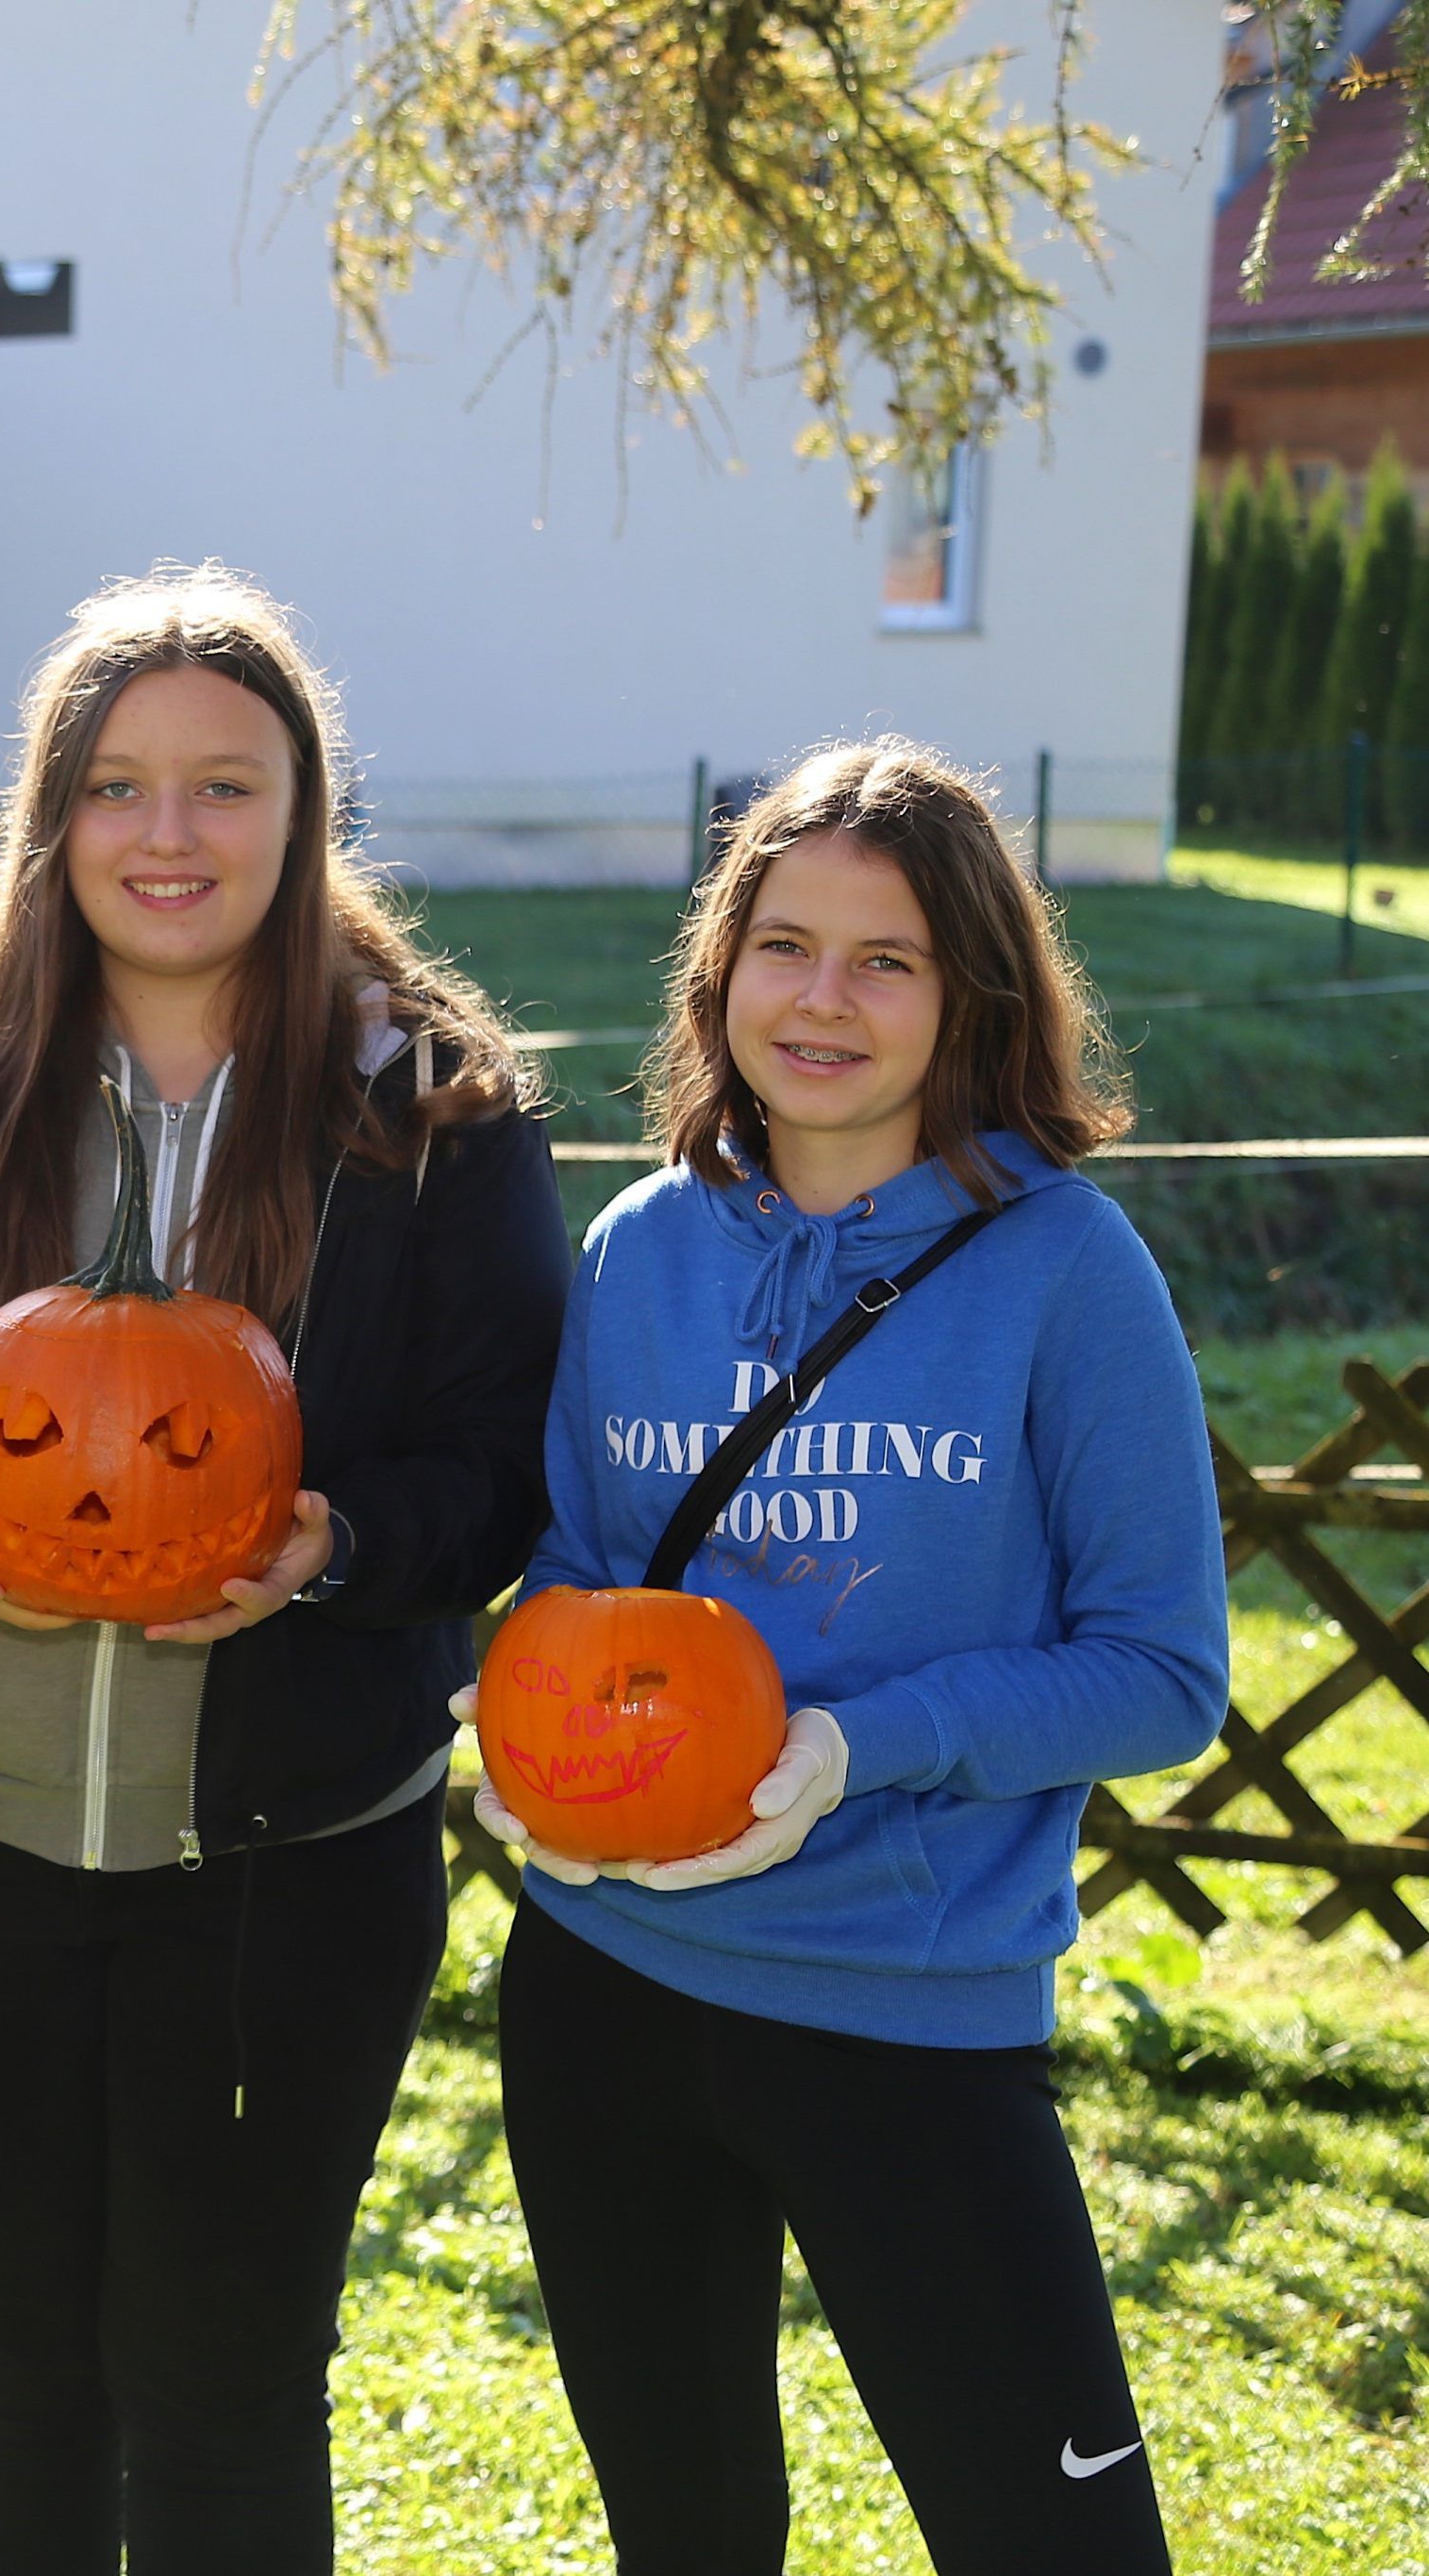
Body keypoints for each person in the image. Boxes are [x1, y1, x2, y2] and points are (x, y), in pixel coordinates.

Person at [0, 565, 570, 2573]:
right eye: (121, 786)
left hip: (290, 1863)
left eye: (225, 786)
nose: (169, 834)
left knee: (225, 2385)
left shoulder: (432, 1105)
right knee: (18, 2363)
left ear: (305, 815)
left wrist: (332, 1547)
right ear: (53, 820)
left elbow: (499, 1469)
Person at [478, 739, 1227, 2574]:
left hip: (906, 2013)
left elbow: (1162, 1669)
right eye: (783, 944)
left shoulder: (1066, 1270)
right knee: (692, 2533)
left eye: (885, 960)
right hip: (604, 1987)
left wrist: (852, 1746)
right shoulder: (640, 1246)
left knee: (1061, 2549)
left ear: (973, 991)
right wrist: (524, 1735)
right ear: (716, 970)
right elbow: (581, 1577)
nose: (821, 999)